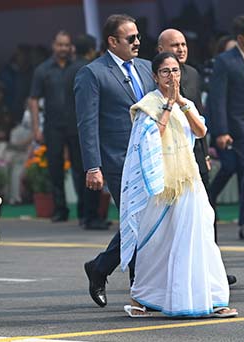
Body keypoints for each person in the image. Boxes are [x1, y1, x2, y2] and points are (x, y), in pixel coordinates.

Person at [120, 52, 236, 318]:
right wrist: (168, 106)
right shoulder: (148, 105)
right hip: (160, 183)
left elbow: (201, 131)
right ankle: (141, 297)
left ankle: (214, 297)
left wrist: (181, 103)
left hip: (188, 179)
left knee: (201, 237)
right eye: (165, 71)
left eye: (175, 71)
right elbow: (151, 137)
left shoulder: (186, 103)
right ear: (155, 76)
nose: (171, 76)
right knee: (156, 241)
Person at [76, 14, 156, 308]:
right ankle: (140, 291)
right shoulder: (93, 73)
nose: (138, 42)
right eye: (131, 38)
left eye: (138, 36)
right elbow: (87, 123)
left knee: (147, 221)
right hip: (118, 159)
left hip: (151, 157)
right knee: (136, 221)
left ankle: (100, 267)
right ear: (112, 41)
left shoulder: (146, 67)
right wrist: (93, 166)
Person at [158, 29, 238, 285]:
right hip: (169, 157)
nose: (181, 49)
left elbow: (199, 117)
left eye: (183, 44)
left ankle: (211, 269)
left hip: (195, 155)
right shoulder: (154, 78)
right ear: (161, 50)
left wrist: (204, 153)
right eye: (175, 45)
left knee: (206, 213)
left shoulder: (192, 74)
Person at [207, 15, 244, 242]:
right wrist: (221, 131)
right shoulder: (225, 61)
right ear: (240, 37)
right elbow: (217, 98)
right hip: (237, 125)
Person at [30, 30, 81, 222]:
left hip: (75, 125)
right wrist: (36, 128)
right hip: (53, 126)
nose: (63, 48)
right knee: (55, 168)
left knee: (80, 168)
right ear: (53, 46)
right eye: (60, 45)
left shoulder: (78, 68)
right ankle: (60, 209)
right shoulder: (43, 70)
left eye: (66, 45)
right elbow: (34, 99)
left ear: (71, 47)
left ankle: (84, 210)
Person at [64, 34, 108, 229]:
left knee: (78, 171)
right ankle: (91, 215)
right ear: (91, 50)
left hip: (71, 126)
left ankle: (83, 213)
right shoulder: (90, 70)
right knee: (93, 168)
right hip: (87, 128)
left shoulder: (68, 69)